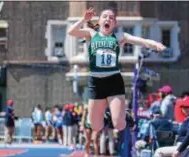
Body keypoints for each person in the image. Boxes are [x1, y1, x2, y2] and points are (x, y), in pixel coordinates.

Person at [68, 7, 166, 157]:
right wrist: (84, 19)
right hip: (96, 82)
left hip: (114, 80)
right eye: (105, 17)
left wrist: (155, 45)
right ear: (99, 21)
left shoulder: (120, 36)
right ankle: (106, 115)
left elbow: (140, 40)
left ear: (114, 23)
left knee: (120, 125)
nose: (108, 19)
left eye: (111, 18)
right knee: (95, 126)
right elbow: (71, 32)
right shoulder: (91, 34)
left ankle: (126, 115)